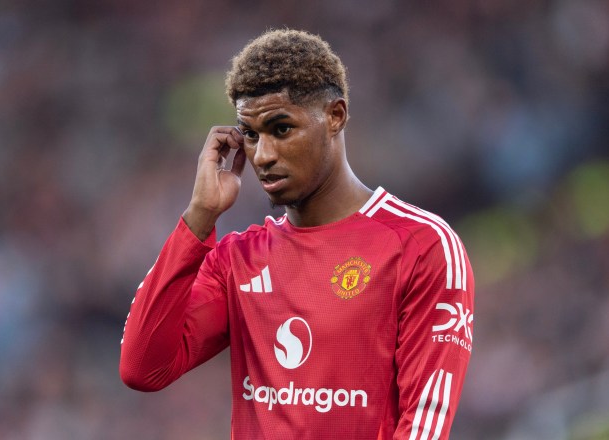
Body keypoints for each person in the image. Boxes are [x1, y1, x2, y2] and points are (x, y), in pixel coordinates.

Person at [119, 28, 474, 439]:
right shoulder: (238, 260)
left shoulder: (422, 245)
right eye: (250, 135)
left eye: (281, 128)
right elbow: (142, 367)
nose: (264, 155)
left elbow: (425, 424)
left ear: (335, 116)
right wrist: (199, 217)